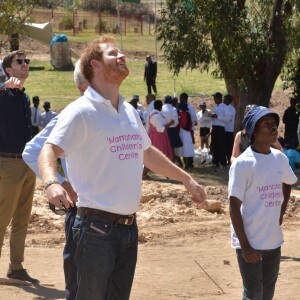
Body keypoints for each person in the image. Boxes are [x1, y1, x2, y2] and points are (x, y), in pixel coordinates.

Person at [38, 36, 206, 300]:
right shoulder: (80, 111)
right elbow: (48, 149)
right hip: (94, 229)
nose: (122, 56)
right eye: (113, 53)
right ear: (94, 64)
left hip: (128, 229)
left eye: (121, 52)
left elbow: (147, 152)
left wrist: (187, 179)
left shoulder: (127, 110)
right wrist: (51, 183)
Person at [22, 59, 88, 299]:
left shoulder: (123, 112)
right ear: (84, 85)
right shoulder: (72, 114)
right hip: (84, 213)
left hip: (121, 220)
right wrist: (59, 182)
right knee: (81, 284)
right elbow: (32, 151)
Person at [229, 106, 297, 300]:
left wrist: (281, 213)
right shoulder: (243, 164)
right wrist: (245, 245)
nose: (273, 127)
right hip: (250, 241)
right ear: (254, 132)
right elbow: (233, 207)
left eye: (274, 123)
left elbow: (288, 182)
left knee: (267, 291)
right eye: (266, 124)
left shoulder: (279, 159)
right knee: (253, 293)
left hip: (273, 241)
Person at [0, 50, 38, 283]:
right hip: (8, 164)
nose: (25, 65)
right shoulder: (4, 94)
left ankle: (16, 266)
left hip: (26, 164)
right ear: (7, 69)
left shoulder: (22, 96)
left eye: (27, 61)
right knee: (2, 219)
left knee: (22, 219)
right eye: (20, 62)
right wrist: (3, 87)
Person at [210, 92, 230, 169]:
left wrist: (218, 116)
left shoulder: (224, 107)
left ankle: (222, 162)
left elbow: (228, 118)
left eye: (215, 98)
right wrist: (212, 116)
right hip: (214, 127)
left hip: (220, 128)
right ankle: (215, 162)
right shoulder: (215, 106)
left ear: (219, 98)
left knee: (221, 145)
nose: (214, 99)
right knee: (214, 145)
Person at [162, 95, 183, 166]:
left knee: (166, 147)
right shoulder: (173, 109)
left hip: (164, 129)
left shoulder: (161, 108)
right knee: (172, 148)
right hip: (173, 129)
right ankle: (175, 163)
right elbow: (175, 121)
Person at [177, 102, 195, 170]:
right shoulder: (187, 114)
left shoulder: (180, 114)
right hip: (187, 133)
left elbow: (181, 124)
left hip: (182, 132)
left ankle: (186, 165)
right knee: (187, 149)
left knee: (184, 149)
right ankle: (187, 164)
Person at [223, 94, 236, 165]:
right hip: (223, 130)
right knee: (223, 146)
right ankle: (224, 160)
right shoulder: (223, 107)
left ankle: (229, 160)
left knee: (229, 146)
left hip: (229, 130)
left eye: (225, 99)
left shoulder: (232, 109)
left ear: (229, 101)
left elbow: (228, 119)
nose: (223, 100)